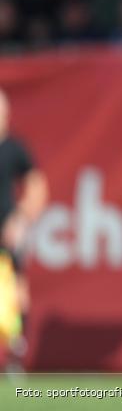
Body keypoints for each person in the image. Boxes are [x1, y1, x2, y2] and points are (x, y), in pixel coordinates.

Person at [0, 89, 48, 373]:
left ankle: (15, 354)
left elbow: (38, 187)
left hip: (5, 231)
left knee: (15, 290)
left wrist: (20, 220)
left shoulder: (15, 149)